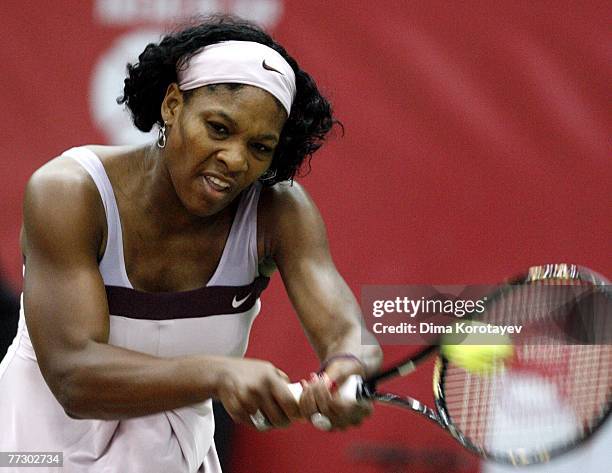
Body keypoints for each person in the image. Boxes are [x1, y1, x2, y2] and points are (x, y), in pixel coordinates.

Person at [0, 15, 382, 473]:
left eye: (261, 148)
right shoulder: (68, 192)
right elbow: (73, 377)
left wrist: (347, 366)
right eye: (219, 129)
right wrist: (218, 373)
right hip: (33, 456)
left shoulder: (279, 211)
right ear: (173, 104)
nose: (236, 159)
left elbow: (347, 333)